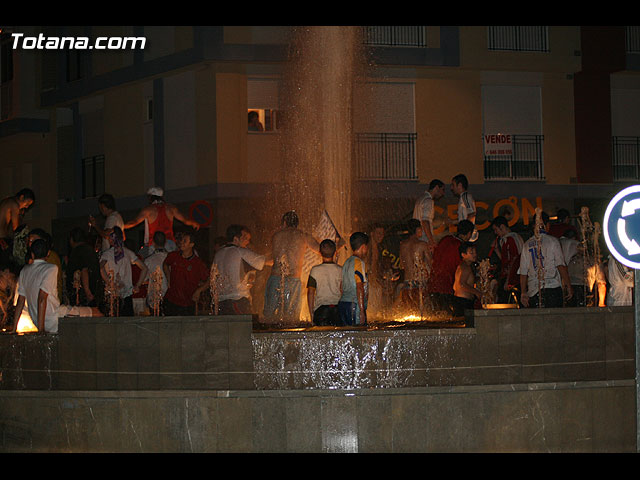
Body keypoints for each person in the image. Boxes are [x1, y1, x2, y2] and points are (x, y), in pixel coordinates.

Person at [12, 239, 101, 334]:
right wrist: (41, 331)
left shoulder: (24, 271)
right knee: (96, 313)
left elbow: (20, 301)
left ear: (32, 254)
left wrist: (14, 329)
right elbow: (42, 298)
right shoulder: (51, 268)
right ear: (48, 253)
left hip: (38, 321)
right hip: (55, 318)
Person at [263, 211, 320, 322]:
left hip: (275, 278)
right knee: (291, 319)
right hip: (292, 281)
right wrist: (338, 245)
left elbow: (273, 258)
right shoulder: (302, 236)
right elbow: (322, 250)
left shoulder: (276, 236)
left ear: (284, 222)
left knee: (269, 317)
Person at [518, 211, 573, 308]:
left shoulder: (526, 245)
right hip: (552, 288)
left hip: (534, 290)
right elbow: (560, 265)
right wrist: (568, 286)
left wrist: (523, 292)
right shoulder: (553, 241)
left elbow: (523, 271)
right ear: (547, 225)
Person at [212, 224, 269, 315]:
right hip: (238, 300)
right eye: (245, 238)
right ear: (236, 239)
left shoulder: (218, 254)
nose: (247, 242)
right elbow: (265, 261)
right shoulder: (240, 251)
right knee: (244, 328)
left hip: (222, 302)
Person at [123, 187, 201, 252]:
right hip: (170, 244)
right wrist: (194, 223)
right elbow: (185, 220)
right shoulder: (171, 208)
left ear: (151, 198)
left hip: (155, 245)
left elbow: (133, 222)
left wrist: (121, 226)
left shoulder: (148, 210)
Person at [428, 219, 475, 314]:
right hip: (446, 287)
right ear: (469, 234)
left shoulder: (446, 239)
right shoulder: (461, 247)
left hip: (433, 284)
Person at [100, 227, 148, 316]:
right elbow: (144, 268)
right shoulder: (128, 253)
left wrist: (109, 282)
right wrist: (137, 285)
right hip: (126, 294)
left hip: (112, 295)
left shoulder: (107, 254)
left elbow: (100, 267)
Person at [162, 231, 209, 316]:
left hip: (188, 303)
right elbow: (165, 264)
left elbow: (210, 280)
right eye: (181, 240)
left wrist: (199, 291)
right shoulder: (173, 256)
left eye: (185, 241)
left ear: (191, 244)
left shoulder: (198, 263)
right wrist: (168, 278)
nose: (181, 243)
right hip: (171, 300)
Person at [307, 239, 343, 326]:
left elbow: (310, 293)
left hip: (321, 310)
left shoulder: (315, 270)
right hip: (337, 309)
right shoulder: (340, 270)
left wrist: (312, 314)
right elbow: (342, 290)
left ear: (320, 252)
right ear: (335, 252)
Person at [398, 219, 431, 311]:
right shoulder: (423, 245)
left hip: (407, 283)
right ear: (417, 229)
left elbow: (401, 264)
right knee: (421, 312)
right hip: (419, 283)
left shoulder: (402, 245)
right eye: (421, 228)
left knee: (409, 312)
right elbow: (431, 263)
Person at [338, 232, 369, 326]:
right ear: (363, 247)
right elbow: (359, 287)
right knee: (358, 335)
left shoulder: (347, 262)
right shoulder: (358, 263)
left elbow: (341, 287)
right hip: (354, 305)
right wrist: (362, 310)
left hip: (343, 304)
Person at [490, 216, 524, 303]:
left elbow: (513, 260)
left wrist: (508, 280)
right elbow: (505, 260)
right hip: (511, 277)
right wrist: (497, 250)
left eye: (496, 229)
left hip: (513, 279)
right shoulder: (506, 240)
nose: (495, 232)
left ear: (502, 227)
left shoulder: (511, 239)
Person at [0, 188, 35, 271]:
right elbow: (16, 228)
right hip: (2, 239)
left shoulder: (7, 201)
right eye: (27, 204)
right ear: (22, 197)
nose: (26, 207)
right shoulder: (14, 205)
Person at [66, 227, 101, 307]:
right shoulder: (89, 250)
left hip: (84, 294)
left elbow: (84, 270)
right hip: (94, 291)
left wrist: (87, 292)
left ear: (71, 239)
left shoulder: (77, 251)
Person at [27, 228, 63, 303]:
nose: (31, 243)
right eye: (30, 241)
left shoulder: (50, 257)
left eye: (34, 240)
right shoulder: (31, 258)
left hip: (49, 301)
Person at [453, 242, 483, 318]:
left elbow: (455, 286)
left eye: (475, 252)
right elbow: (461, 284)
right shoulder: (466, 267)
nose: (475, 255)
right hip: (464, 302)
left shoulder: (462, 266)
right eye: (471, 252)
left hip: (460, 301)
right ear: (463, 254)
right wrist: (477, 292)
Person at [412, 179, 445, 247]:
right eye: (442, 189)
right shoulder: (428, 201)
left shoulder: (420, 199)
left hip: (417, 238)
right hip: (424, 239)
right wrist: (431, 240)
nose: (443, 193)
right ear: (436, 188)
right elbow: (425, 222)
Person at [144, 231, 169, 312]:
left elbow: (144, 279)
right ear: (165, 242)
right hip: (169, 296)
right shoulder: (172, 258)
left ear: (153, 242)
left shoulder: (148, 260)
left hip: (153, 296)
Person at [450, 174, 478, 242]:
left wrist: (465, 233)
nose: (451, 188)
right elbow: (465, 218)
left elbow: (472, 214)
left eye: (453, 185)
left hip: (468, 236)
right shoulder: (463, 197)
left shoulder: (465, 197)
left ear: (459, 185)